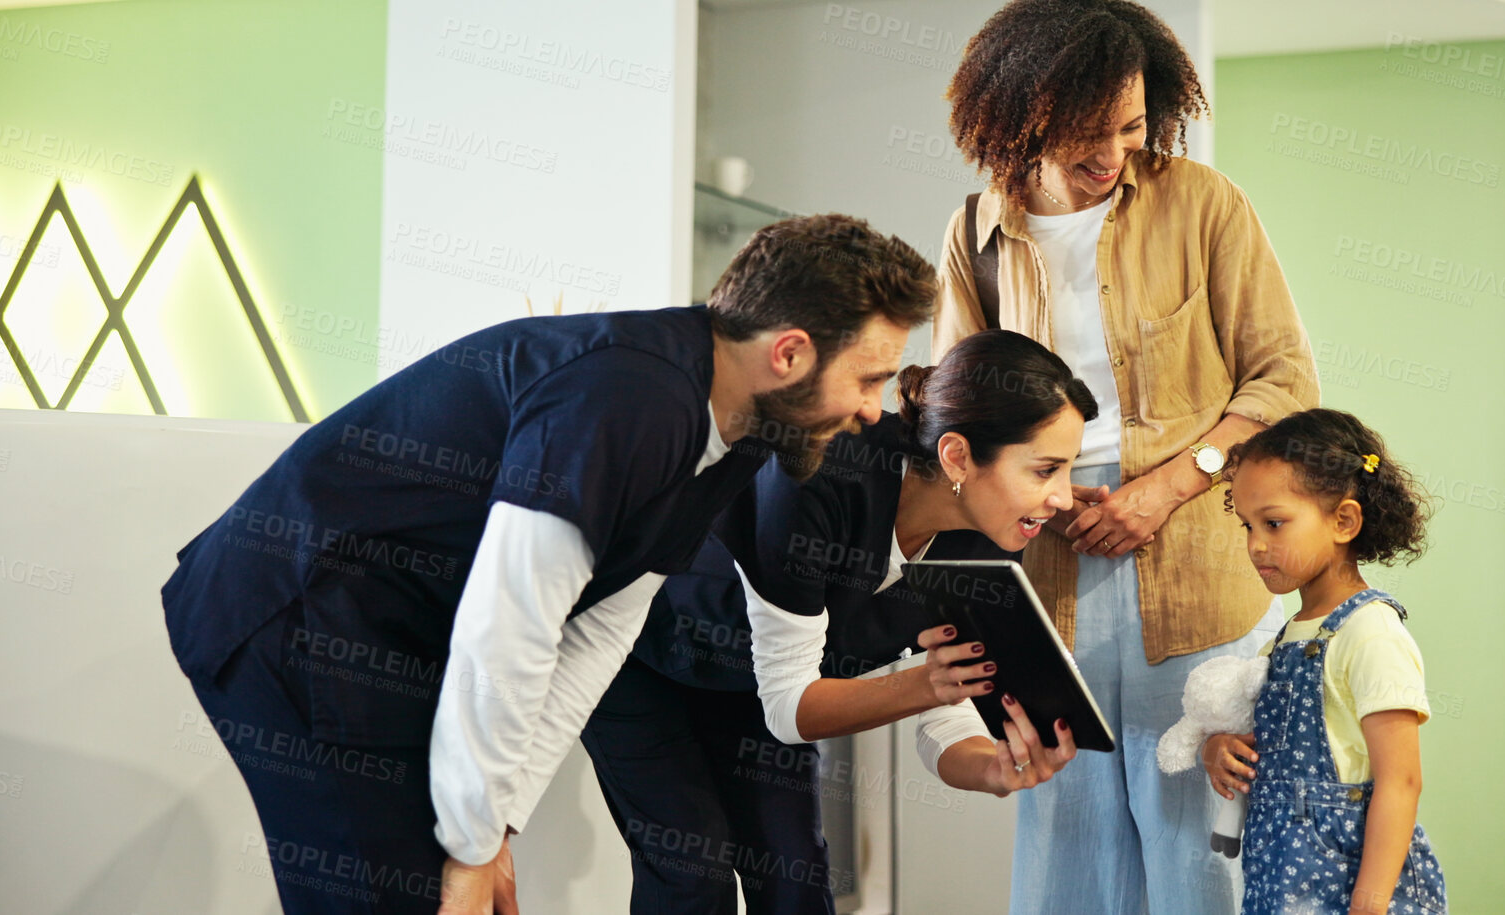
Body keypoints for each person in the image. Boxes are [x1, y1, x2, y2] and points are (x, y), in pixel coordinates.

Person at [160, 214, 937, 914]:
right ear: (789, 353)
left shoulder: (733, 431)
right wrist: (471, 841)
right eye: (867, 377)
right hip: (291, 613)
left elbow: (599, 632)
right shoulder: (630, 396)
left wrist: (494, 819)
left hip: (388, 630)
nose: (873, 409)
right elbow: (513, 621)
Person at [934, 0, 1320, 912]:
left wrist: (1172, 484)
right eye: (1087, 131)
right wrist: (1030, 503)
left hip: (1188, 549)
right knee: (1064, 828)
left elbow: (1283, 382)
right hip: (1042, 548)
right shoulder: (975, 232)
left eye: (1132, 127)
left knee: (1197, 840)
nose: (1112, 153)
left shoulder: (1204, 205)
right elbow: (953, 409)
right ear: (1025, 113)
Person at [582, 329, 1095, 913]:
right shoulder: (826, 471)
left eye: (1067, 469)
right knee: (693, 874)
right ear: (957, 456)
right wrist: (926, 681)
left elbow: (948, 716)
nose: (1061, 499)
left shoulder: (991, 540)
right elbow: (791, 707)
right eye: (1045, 470)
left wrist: (996, 771)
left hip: (769, 683)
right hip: (640, 648)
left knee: (796, 879)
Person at [1198, 409, 1446, 915]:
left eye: (1274, 523)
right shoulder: (1285, 639)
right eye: (1248, 526)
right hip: (1280, 890)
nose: (1255, 544)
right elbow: (1264, 742)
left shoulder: (1370, 632)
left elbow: (1401, 781)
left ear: (1344, 521)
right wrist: (1219, 748)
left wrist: (1369, 905)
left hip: (1353, 893)